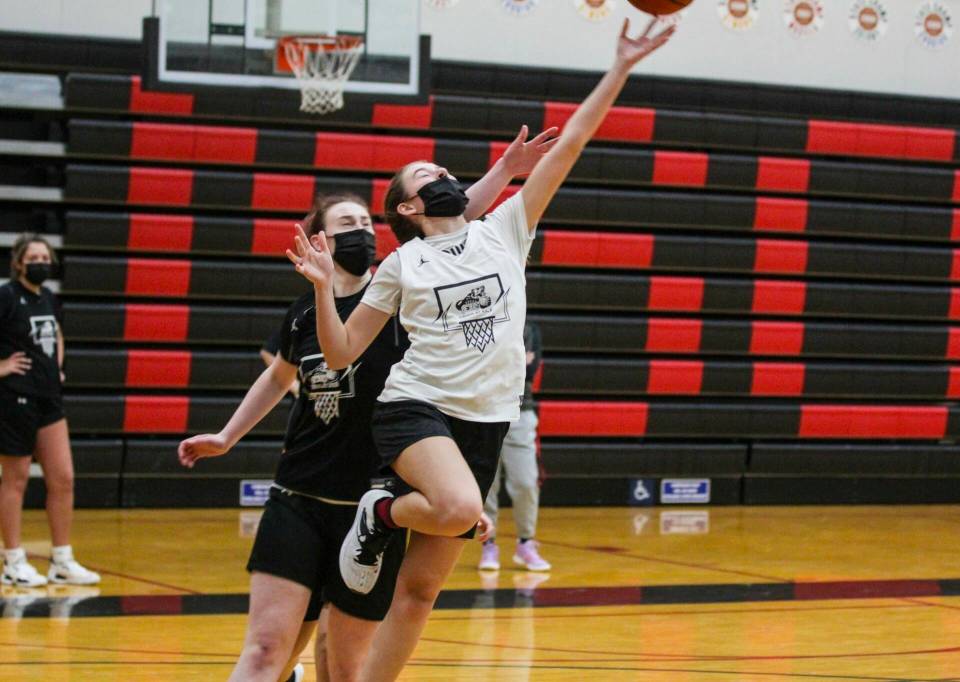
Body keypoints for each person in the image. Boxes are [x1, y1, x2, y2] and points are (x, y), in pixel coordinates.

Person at [288, 18, 675, 680]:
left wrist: (620, 68)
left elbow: (574, 142)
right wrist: (325, 290)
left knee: (421, 592)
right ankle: (378, 510)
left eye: (441, 167)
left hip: (487, 421)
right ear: (407, 208)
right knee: (463, 510)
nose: (439, 173)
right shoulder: (403, 263)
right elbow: (345, 351)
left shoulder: (504, 229)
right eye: (423, 174)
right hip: (416, 410)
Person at [178, 125, 555, 682]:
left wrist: (451, 499)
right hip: (301, 490)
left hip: (375, 493)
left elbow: (457, 216)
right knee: (267, 652)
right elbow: (279, 378)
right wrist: (227, 435)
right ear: (319, 242)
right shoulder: (309, 314)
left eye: (365, 221)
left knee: (342, 662)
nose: (360, 231)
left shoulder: (410, 288)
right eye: (344, 224)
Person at [0, 233, 100, 587]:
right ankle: (12, 560)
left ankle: (62, 559)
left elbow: (55, 334)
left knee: (63, 478)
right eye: (34, 256)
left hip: (49, 398)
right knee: (16, 480)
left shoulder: (49, 298)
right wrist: (3, 367)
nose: (41, 261)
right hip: (15, 399)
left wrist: (55, 366)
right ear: (19, 262)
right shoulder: (6, 296)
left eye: (46, 256)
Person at [478, 320, 549, 572]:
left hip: (521, 412)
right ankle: (489, 545)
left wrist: (499, 360)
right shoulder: (487, 320)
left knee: (526, 481)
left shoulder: (530, 328)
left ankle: (526, 543)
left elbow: (529, 371)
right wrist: (515, 358)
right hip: (484, 411)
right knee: (488, 483)